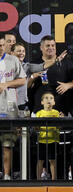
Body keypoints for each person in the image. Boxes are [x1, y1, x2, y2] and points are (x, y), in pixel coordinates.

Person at [29, 35, 73, 115]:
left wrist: (68, 85)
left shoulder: (66, 63)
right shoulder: (34, 64)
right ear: (41, 48)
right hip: (40, 111)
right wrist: (33, 77)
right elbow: (26, 85)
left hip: (61, 111)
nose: (51, 48)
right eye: (47, 45)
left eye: (53, 45)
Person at [11, 42, 67, 111]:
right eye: (19, 51)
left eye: (23, 51)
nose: (22, 53)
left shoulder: (27, 66)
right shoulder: (4, 66)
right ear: (12, 53)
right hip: (7, 103)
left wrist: (56, 60)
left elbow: (42, 66)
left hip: (21, 104)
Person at [0, 34, 26, 180]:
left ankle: (7, 175)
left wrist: (7, 84)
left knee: (7, 144)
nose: (1, 48)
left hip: (8, 109)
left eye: (3, 45)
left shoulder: (13, 60)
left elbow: (22, 80)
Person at [36, 91, 62, 180]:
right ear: (42, 102)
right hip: (42, 140)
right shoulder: (39, 113)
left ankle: (54, 180)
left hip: (54, 140)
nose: (49, 100)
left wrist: (61, 120)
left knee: (52, 160)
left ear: (54, 102)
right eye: (46, 98)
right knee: (40, 160)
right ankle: (38, 180)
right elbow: (36, 128)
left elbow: (59, 127)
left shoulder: (56, 113)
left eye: (51, 98)